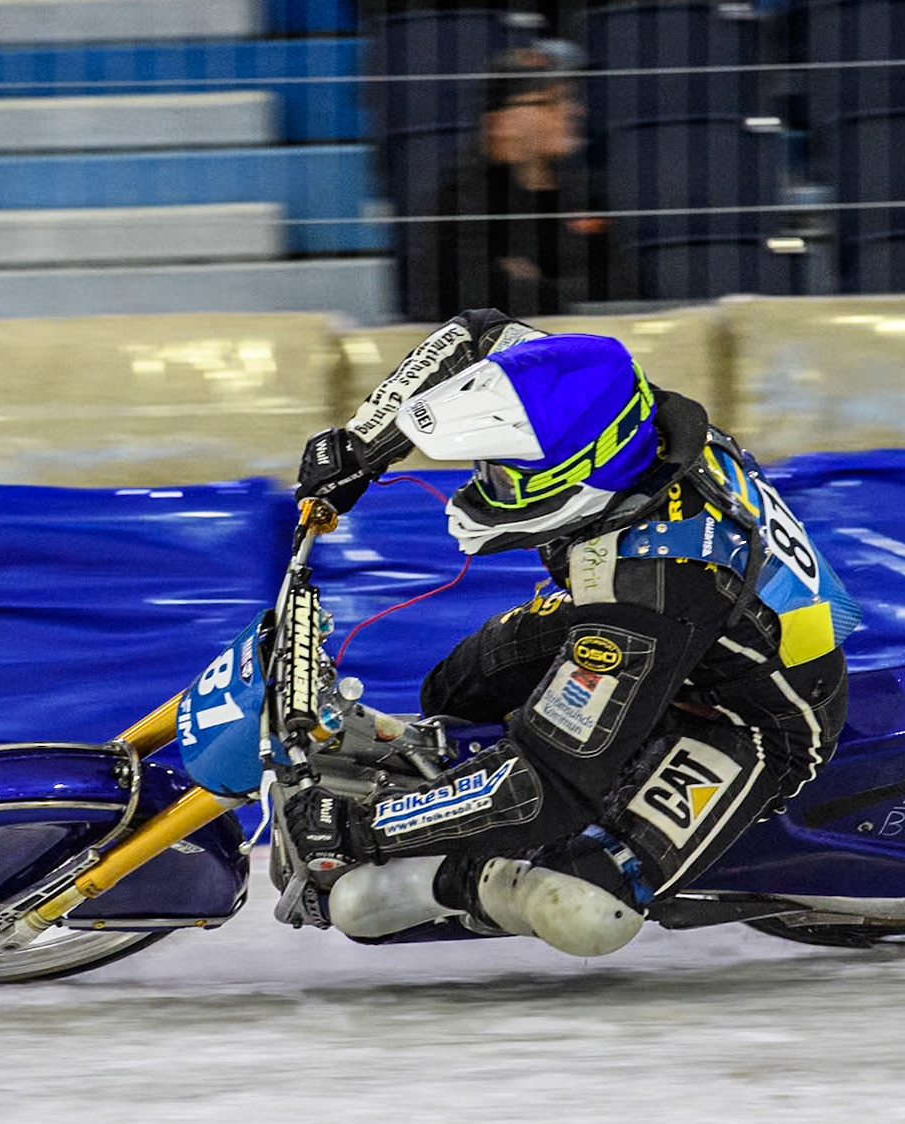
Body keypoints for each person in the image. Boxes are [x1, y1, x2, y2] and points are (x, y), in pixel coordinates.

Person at [282, 310, 857, 957]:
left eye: (499, 474)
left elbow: (546, 785)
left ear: (577, 477)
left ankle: (470, 873)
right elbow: (479, 335)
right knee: (456, 685)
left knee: (583, 904)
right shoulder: (612, 409)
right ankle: (461, 796)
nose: (479, 483)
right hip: (689, 628)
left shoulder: (651, 588)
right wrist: (363, 447)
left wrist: (363, 829)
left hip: (741, 713)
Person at [403, 43, 635, 320]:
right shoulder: (459, 201)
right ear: (500, 123)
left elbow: (625, 287)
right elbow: (482, 307)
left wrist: (535, 284)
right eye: (548, 102)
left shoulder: (582, 192)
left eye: (570, 98)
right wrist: (569, 291)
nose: (573, 110)